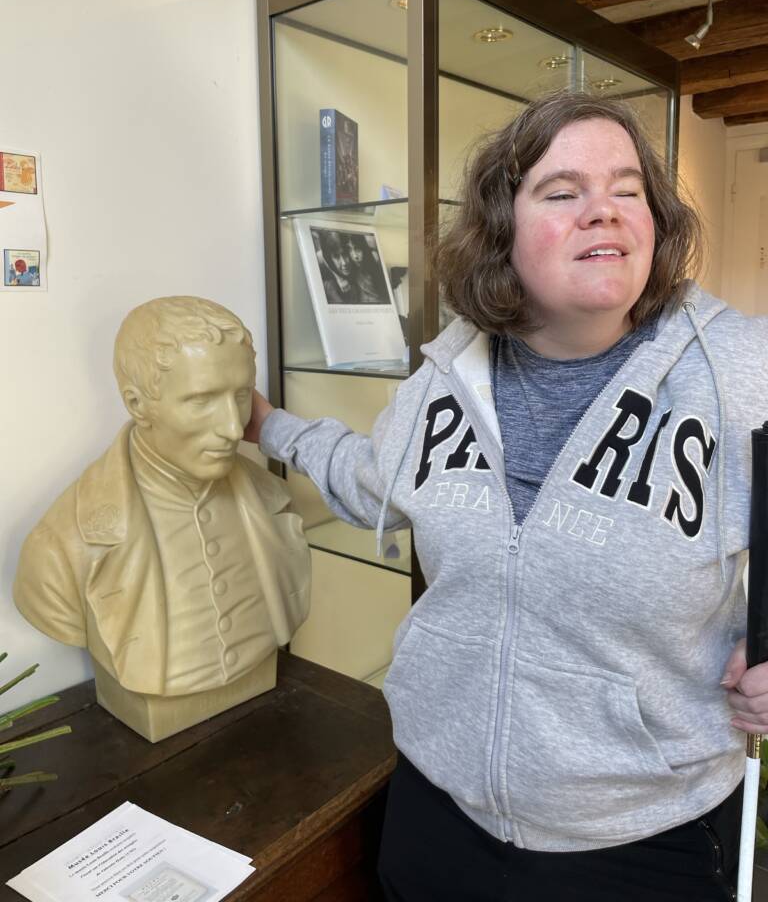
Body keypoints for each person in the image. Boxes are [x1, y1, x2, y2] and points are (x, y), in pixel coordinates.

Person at [245, 91, 768, 901]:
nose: (604, 211)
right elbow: (374, 482)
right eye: (563, 193)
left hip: (644, 838)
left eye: (627, 191)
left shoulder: (739, 369)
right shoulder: (445, 379)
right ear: (501, 231)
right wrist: (267, 426)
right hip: (438, 808)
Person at [15, 296, 310, 737]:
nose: (234, 427)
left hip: (265, 707)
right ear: (137, 403)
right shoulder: (61, 544)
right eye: (201, 401)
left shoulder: (274, 501)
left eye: (242, 395)